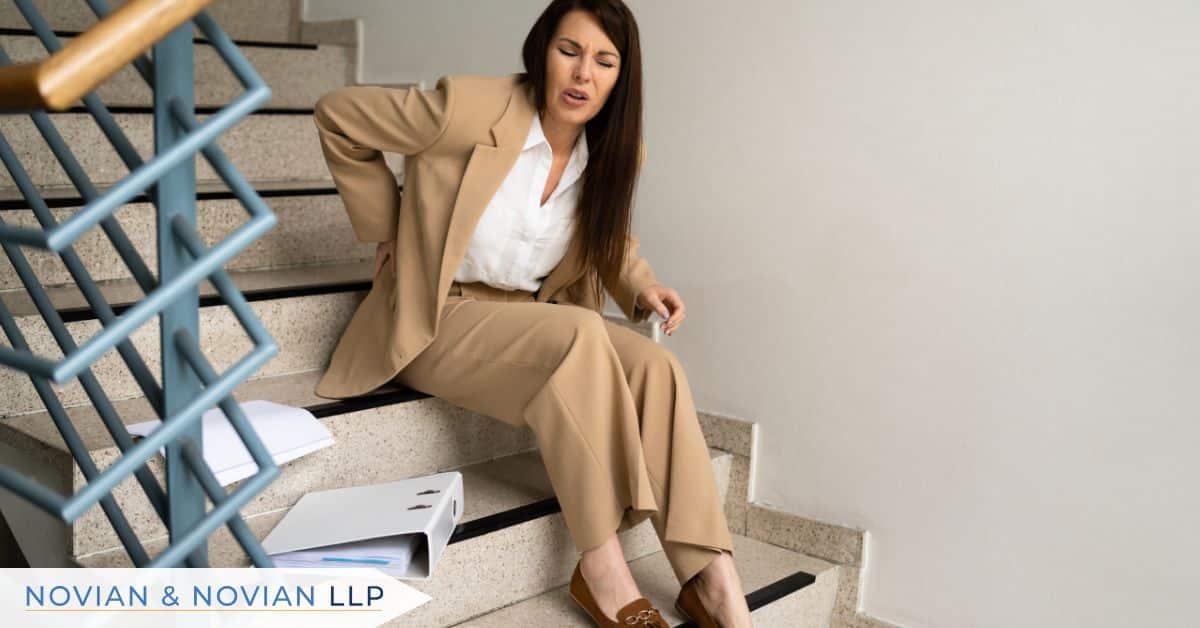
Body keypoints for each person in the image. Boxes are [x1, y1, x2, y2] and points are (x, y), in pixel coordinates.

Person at [312, 1, 753, 625]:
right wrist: (385, 223)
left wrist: (643, 287)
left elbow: (609, 237)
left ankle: (713, 580)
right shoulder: (469, 109)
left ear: (621, 77)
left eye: (604, 61)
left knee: (655, 368)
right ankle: (602, 568)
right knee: (579, 335)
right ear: (542, 51)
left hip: (527, 319)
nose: (583, 74)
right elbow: (338, 114)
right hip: (440, 315)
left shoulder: (612, 148)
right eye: (569, 51)